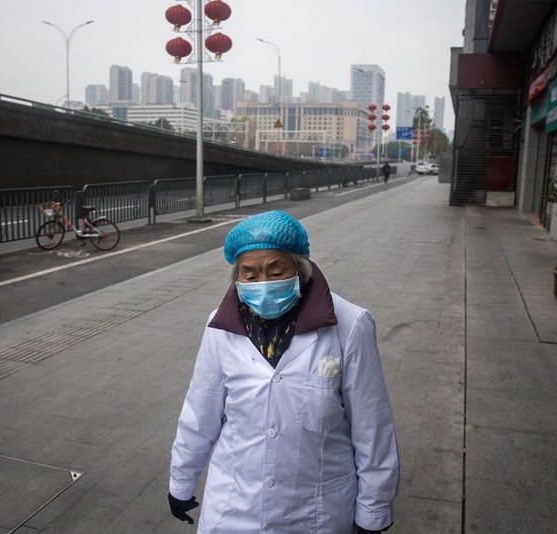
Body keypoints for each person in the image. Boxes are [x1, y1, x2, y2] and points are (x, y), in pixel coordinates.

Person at [168, 210, 400, 533]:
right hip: (234, 511)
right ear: (237, 277)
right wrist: (181, 481)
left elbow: (372, 429)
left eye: (275, 271)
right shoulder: (220, 328)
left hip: (315, 516)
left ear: (300, 270)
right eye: (249, 275)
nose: (262, 284)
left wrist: (373, 511)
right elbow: (199, 414)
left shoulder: (350, 325)